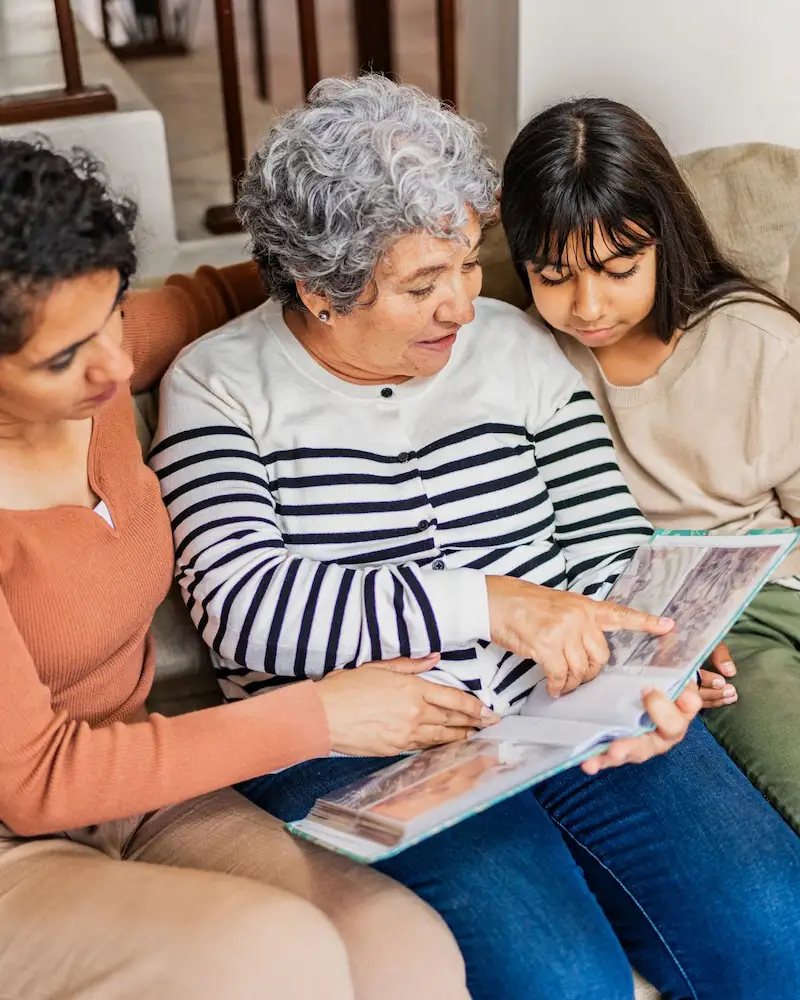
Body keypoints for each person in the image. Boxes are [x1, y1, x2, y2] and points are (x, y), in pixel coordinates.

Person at [153, 75, 800, 1000]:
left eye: (466, 260)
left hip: (574, 711)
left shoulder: (517, 347)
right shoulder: (219, 384)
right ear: (320, 290)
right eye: (424, 284)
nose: (464, 303)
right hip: (365, 745)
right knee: (557, 977)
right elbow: (244, 611)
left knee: (779, 924)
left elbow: (603, 542)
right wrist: (491, 604)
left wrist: (656, 665)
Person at [0, 138, 476, 1000]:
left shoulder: (94, 359)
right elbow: (39, 783)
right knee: (271, 955)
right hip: (20, 829)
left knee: (405, 952)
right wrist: (323, 714)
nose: (116, 365)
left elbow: (238, 288)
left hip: (137, 786)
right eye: (64, 357)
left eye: (110, 313)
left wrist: (397, 264)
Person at [500, 96, 800, 834]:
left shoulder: (759, 341)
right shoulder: (522, 356)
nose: (587, 304)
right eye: (552, 274)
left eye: (618, 267)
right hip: (707, 619)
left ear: (665, 241)